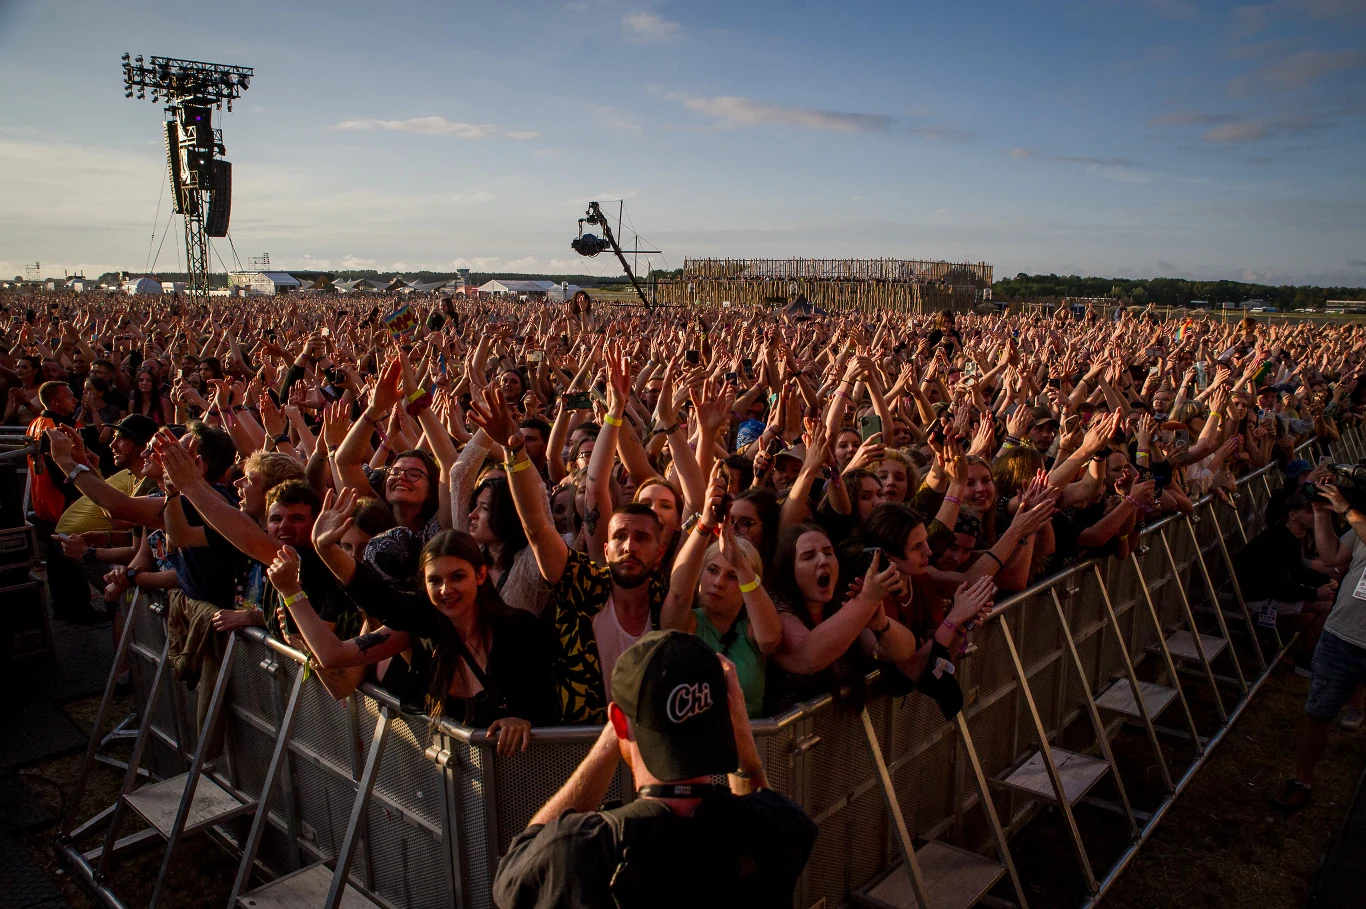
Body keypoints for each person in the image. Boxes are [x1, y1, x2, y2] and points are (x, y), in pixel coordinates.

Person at [492, 631, 817, 909]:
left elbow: (514, 874)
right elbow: (765, 810)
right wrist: (744, 741)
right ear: (727, 714)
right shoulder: (777, 826)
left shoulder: (580, 851)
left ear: (620, 721)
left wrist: (613, 739)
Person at [472, 385, 671, 724]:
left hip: (652, 754)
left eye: (641, 538)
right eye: (620, 536)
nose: (629, 545)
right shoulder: (583, 585)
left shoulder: (668, 603)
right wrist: (513, 447)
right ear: (605, 550)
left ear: (660, 552)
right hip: (579, 746)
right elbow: (537, 527)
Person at [1275, 481, 1366, 810]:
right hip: (1340, 635)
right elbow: (1331, 556)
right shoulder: (1361, 525)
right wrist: (1319, 511)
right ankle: (1302, 781)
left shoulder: (1359, 519)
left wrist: (1344, 508)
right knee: (1317, 712)